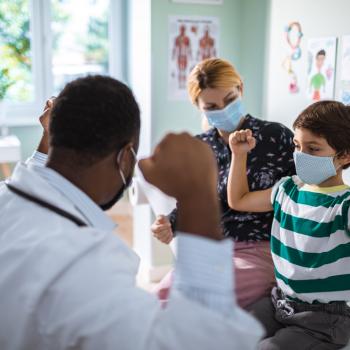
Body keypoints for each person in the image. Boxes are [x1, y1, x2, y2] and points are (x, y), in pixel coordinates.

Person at [0, 75, 263, 349]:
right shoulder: (83, 266)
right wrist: (198, 193)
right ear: (125, 157)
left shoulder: (7, 196)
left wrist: (47, 141)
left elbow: (39, 176)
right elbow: (202, 340)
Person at [152, 58, 296, 308]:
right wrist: (168, 224)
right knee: (160, 297)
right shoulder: (199, 148)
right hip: (212, 250)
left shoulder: (276, 136)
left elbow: (299, 196)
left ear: (241, 89)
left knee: (192, 300)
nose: (223, 109)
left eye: (230, 100)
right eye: (212, 106)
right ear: (198, 106)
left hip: (262, 249)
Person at [227, 100, 350, 349]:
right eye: (297, 145)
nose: (301, 156)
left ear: (344, 155)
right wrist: (238, 156)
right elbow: (238, 200)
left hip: (324, 319)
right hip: (279, 302)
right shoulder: (287, 190)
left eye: (313, 149)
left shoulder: (344, 205)